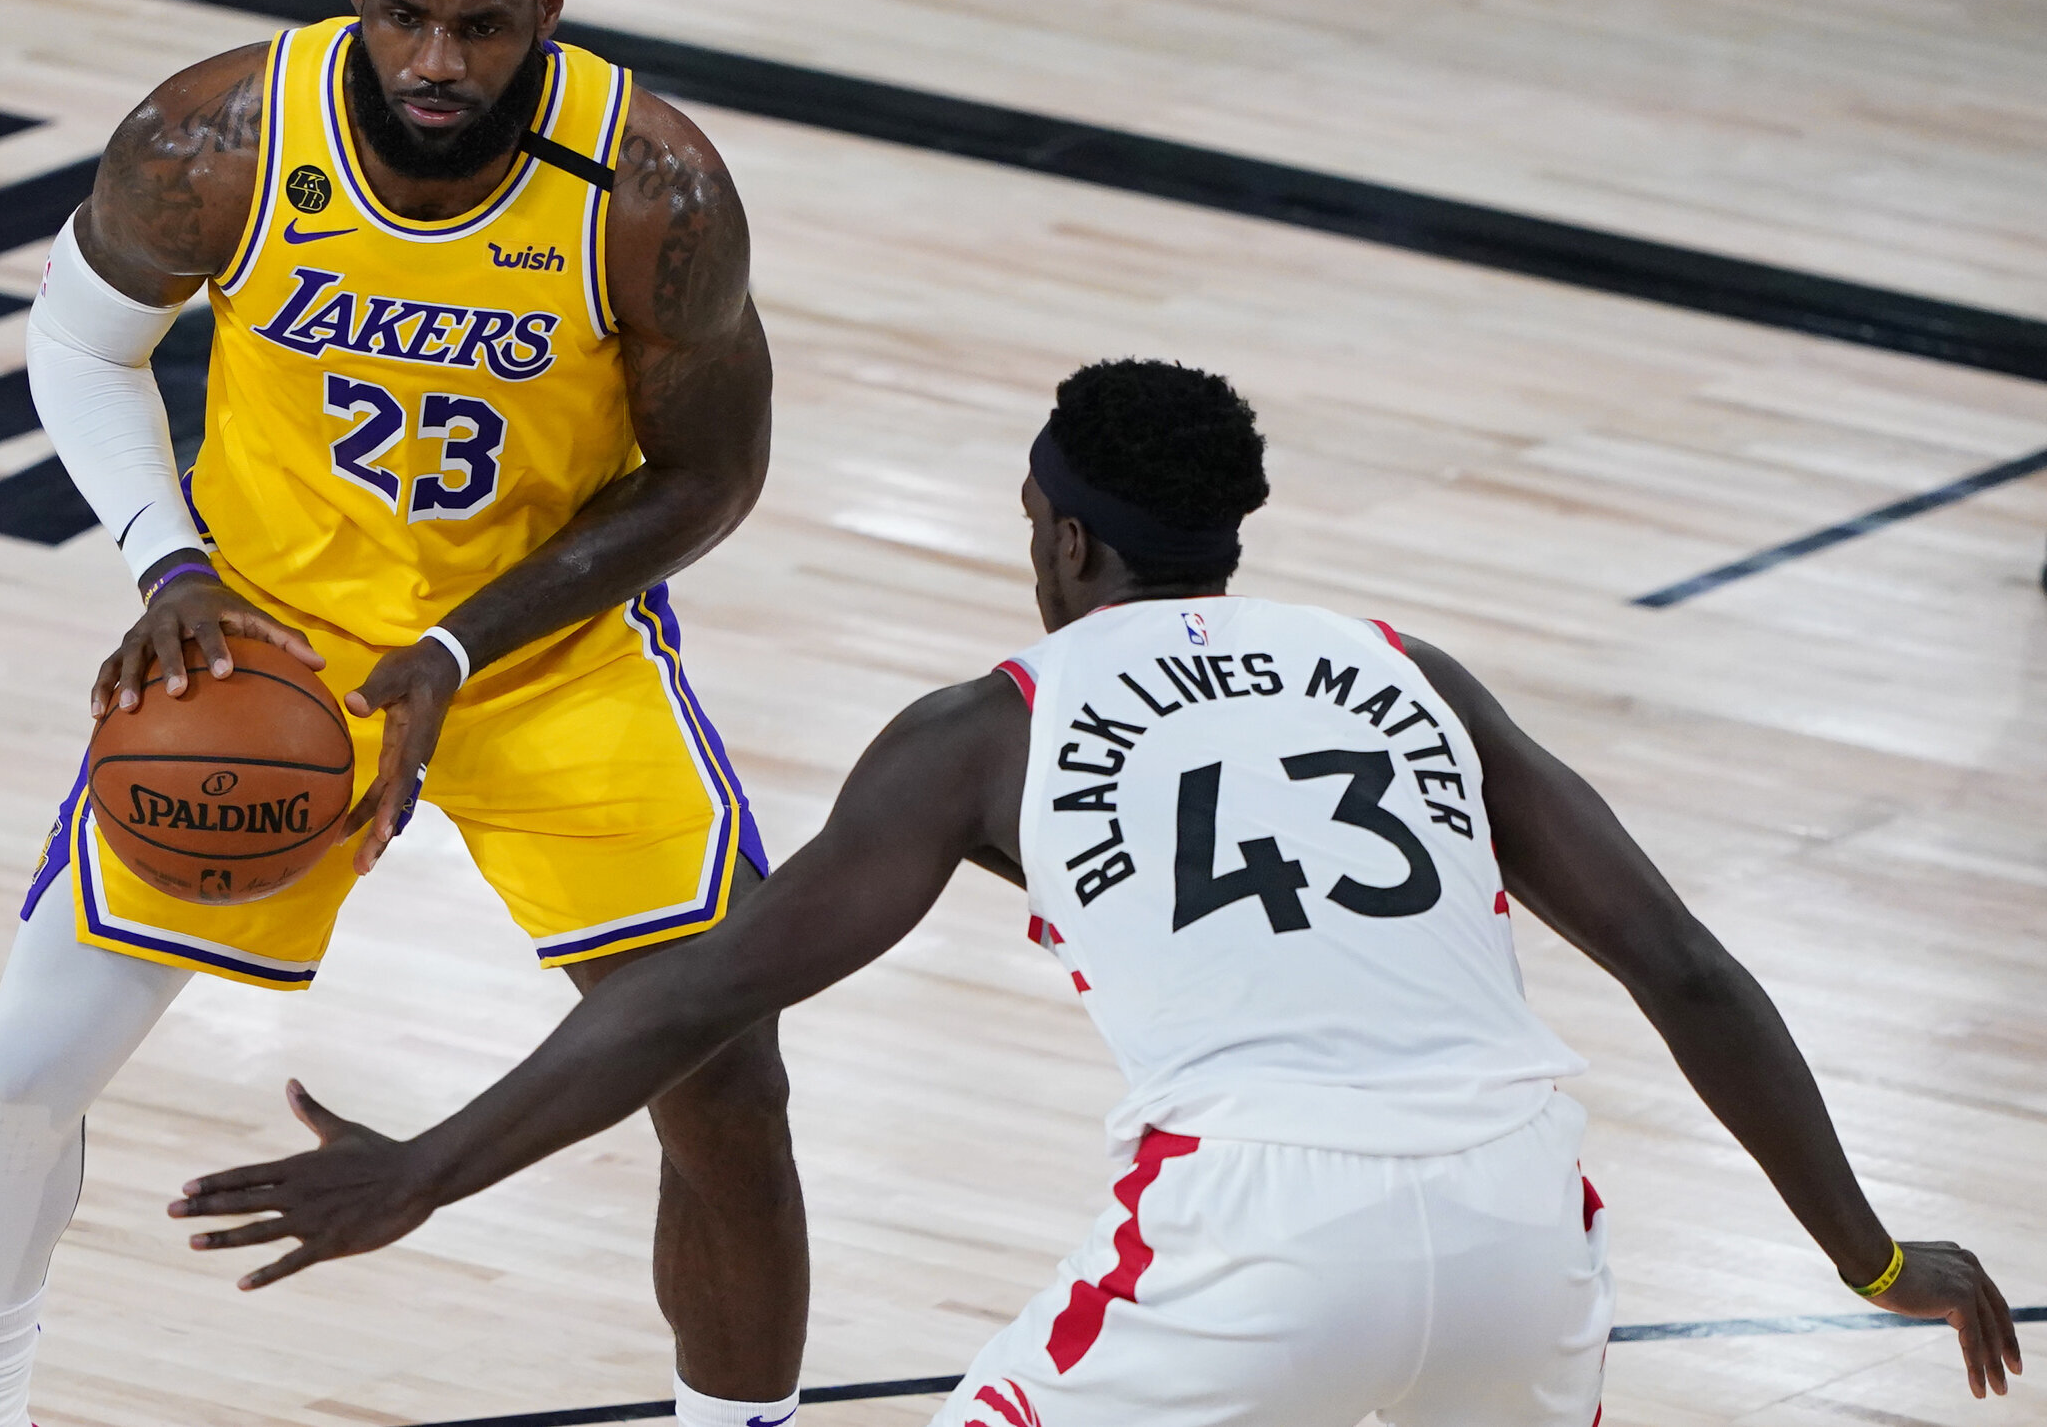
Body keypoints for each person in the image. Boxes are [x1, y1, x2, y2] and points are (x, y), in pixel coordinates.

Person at [172, 359, 2020, 1425]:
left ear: (1060, 533)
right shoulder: (1410, 667)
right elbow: (1688, 974)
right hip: (1534, 1219)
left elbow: (694, 997)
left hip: (1259, 1220)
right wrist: (1867, 1252)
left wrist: (423, 1169)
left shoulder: (988, 730)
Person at [0, 0, 809, 1427]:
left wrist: (461, 649)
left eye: (481, 26)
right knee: (21, 1068)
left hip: (544, 653)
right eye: (406, 15)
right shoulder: (221, 137)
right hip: (268, 651)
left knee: (729, 1081)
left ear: (547, 8)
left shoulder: (651, 191)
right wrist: (166, 562)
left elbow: (714, 473)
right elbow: (78, 339)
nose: (436, 62)